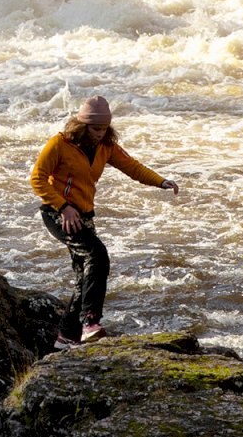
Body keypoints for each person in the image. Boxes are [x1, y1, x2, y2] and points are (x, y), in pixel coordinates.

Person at [31, 95, 178, 349]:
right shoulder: (59, 144)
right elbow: (37, 179)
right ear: (82, 125)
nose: (100, 134)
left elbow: (131, 166)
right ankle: (91, 323)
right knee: (98, 255)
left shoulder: (106, 146)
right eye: (95, 129)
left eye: (103, 129)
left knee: (84, 276)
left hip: (84, 216)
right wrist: (64, 207)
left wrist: (160, 181)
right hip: (58, 213)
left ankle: (65, 337)